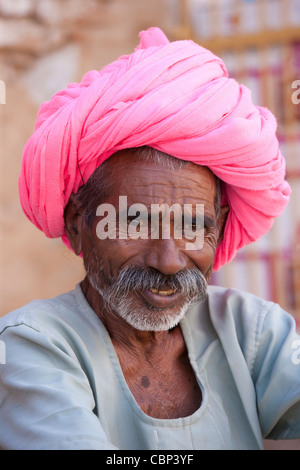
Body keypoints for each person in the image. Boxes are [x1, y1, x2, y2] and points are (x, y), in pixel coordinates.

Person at [0, 27, 299, 450]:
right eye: (135, 223)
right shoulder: (30, 345)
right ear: (75, 224)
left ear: (221, 223)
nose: (169, 260)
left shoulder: (251, 330)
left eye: (194, 226)